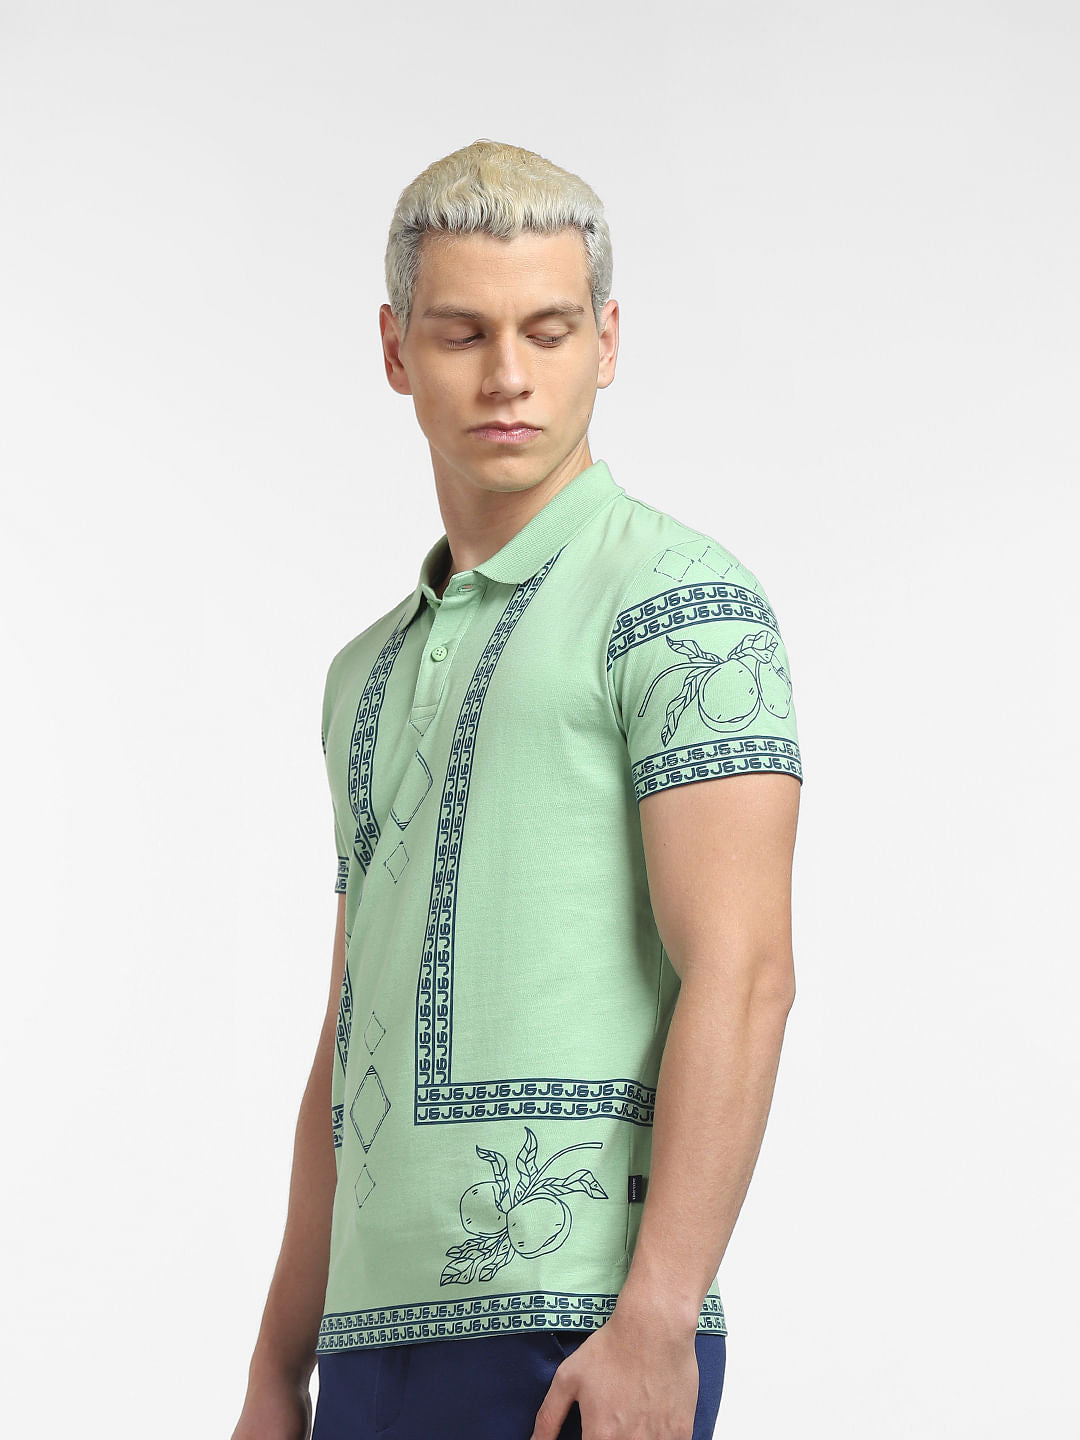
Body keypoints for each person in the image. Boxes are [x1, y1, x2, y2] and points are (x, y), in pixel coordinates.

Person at [230, 137, 802, 1440]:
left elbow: (746, 971)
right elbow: (348, 1041)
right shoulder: (363, 674)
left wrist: (658, 1319)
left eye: (548, 331)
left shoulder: (683, 603)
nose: (507, 375)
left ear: (608, 341)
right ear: (395, 351)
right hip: (367, 1351)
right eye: (462, 333)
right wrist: (276, 1370)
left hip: (579, 1334)